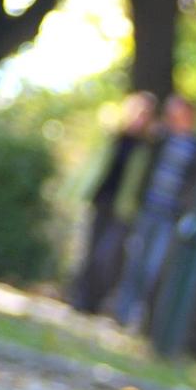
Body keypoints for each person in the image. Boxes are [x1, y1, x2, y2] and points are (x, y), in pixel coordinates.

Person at [109, 94, 196, 330]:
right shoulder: (160, 139)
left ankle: (138, 317)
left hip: (170, 214)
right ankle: (122, 312)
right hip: (148, 207)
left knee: (153, 265)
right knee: (135, 259)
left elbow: (195, 183)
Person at [69, 92, 158, 313]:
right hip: (100, 198)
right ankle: (78, 301)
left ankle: (94, 302)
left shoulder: (147, 147)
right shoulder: (112, 136)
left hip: (123, 206)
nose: (140, 117)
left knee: (107, 255)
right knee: (87, 250)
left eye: (145, 114)